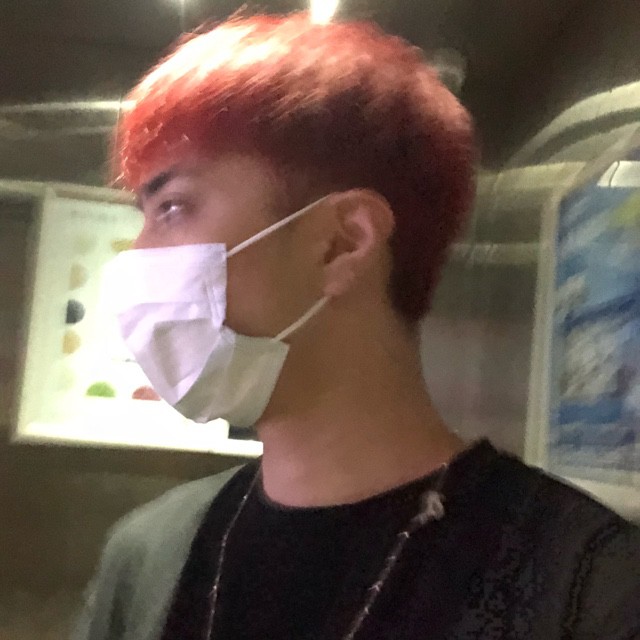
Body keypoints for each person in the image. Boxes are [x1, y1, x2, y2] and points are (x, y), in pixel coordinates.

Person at [73, 13, 640, 640]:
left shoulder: (586, 586)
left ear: (342, 243)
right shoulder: (148, 556)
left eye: (173, 207)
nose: (137, 256)